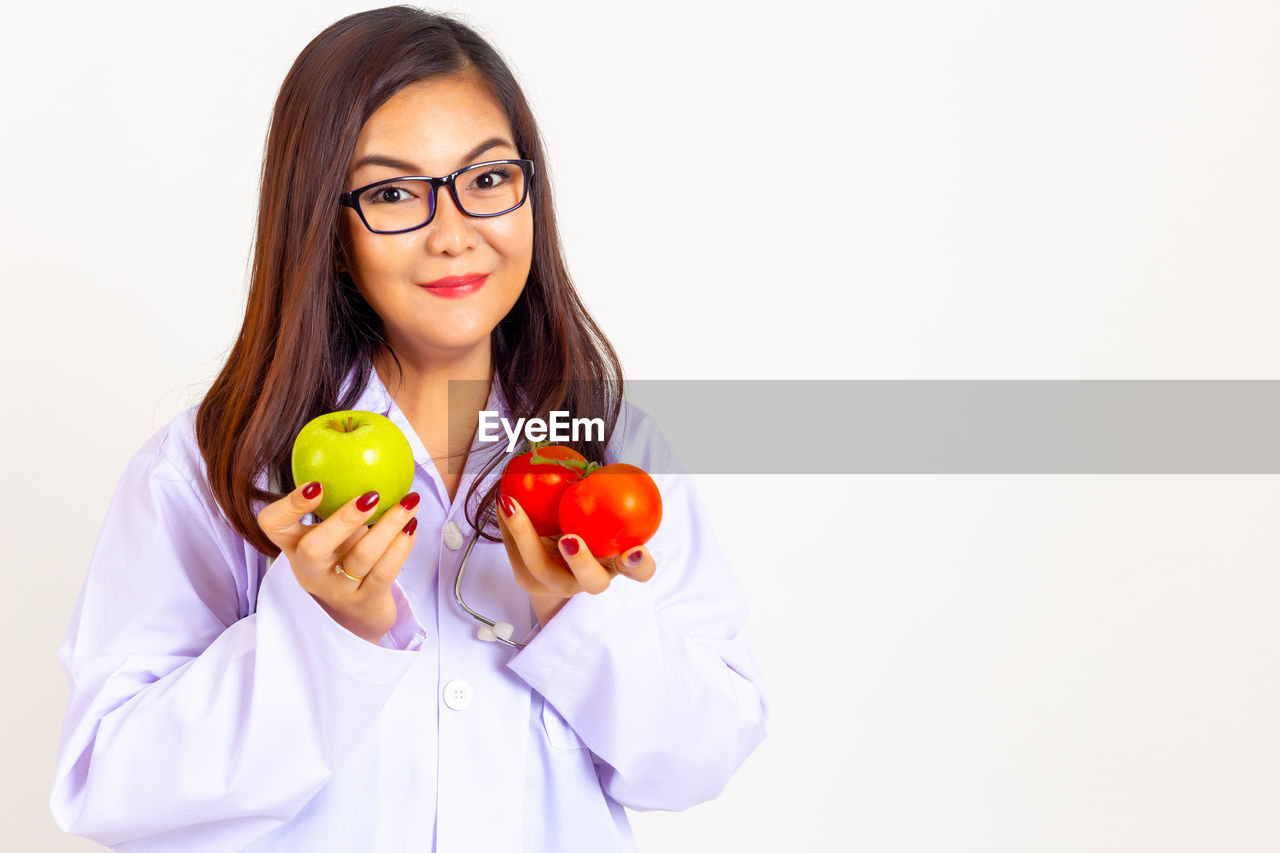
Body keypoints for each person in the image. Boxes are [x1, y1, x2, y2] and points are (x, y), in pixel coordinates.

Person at [49, 6, 768, 851]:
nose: (455, 234)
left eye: (489, 179)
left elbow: (701, 759)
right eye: (393, 193)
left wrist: (579, 615)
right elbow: (111, 787)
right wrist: (319, 626)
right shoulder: (211, 467)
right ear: (325, 223)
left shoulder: (611, 455)